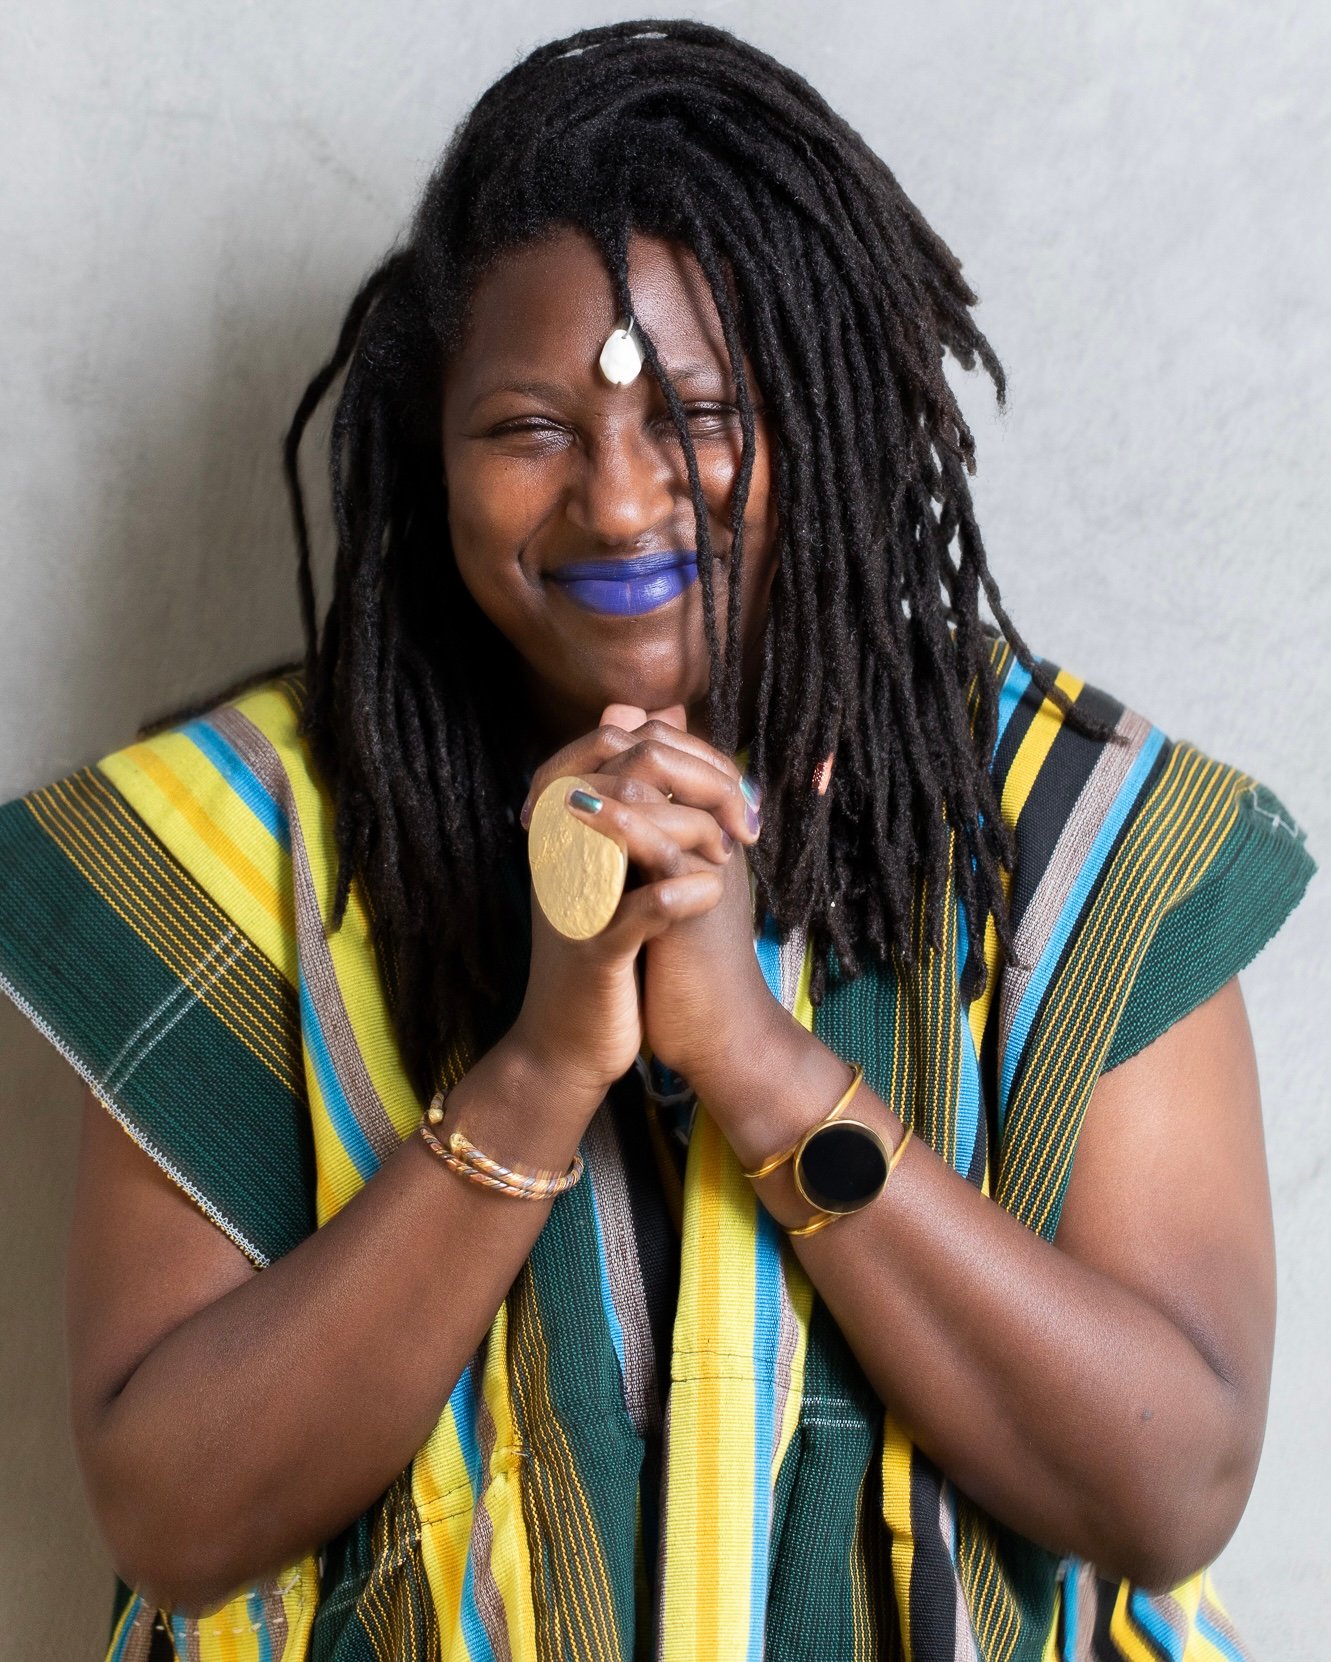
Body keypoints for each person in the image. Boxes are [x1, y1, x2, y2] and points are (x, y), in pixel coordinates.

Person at [0, 19, 1315, 1662]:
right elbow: (173, 1513)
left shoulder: (1065, 827)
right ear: (429, 450)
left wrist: (758, 1065)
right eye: (529, 428)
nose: (620, 503)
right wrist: (543, 1069)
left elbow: (1173, 1477)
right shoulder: (257, 831)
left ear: (825, 424)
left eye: (697, 414)